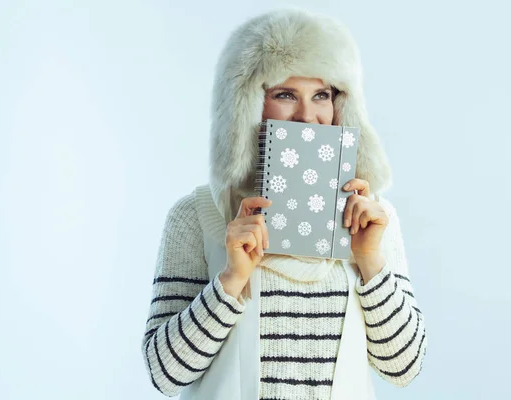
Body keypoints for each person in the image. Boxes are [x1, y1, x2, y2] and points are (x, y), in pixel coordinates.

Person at [141, 8, 427, 400]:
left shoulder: (372, 220)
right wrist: (230, 281)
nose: (308, 117)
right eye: (285, 95)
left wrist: (370, 260)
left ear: (340, 106)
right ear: (248, 106)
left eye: (322, 95)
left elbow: (404, 367)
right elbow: (164, 374)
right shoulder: (198, 216)